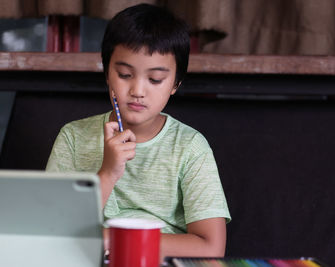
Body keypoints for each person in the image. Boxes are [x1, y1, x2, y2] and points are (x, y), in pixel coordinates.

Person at [46, 3, 231, 259]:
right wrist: (109, 172)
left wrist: (116, 238)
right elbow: (52, 232)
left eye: (155, 79)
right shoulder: (73, 138)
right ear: (107, 73)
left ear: (176, 83)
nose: (138, 91)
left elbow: (210, 246)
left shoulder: (190, 147)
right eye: (124, 74)